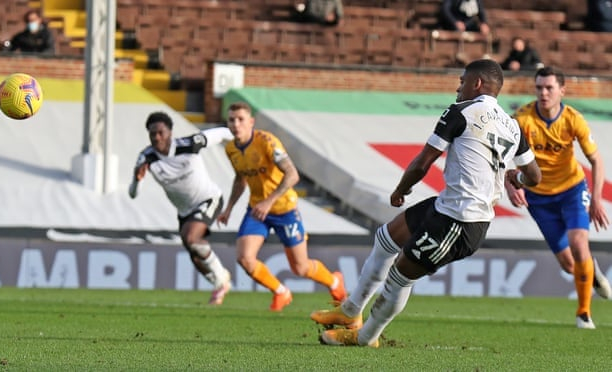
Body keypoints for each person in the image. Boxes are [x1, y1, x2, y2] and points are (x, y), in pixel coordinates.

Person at [311, 59, 542, 347]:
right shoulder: (513, 126)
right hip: (448, 206)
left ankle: (365, 336)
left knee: (399, 275)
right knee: (386, 238)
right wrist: (516, 179)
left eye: (462, 81)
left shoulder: (461, 112)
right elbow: (535, 175)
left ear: (477, 84)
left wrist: (401, 189)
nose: (458, 87)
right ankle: (350, 311)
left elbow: (423, 162)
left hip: (461, 221)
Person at [505, 66, 611, 329]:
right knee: (568, 264)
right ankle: (591, 270)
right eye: (539, 87)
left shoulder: (573, 119)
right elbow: (501, 156)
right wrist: (510, 184)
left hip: (572, 190)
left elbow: (596, 160)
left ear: (562, 90)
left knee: (578, 243)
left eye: (549, 88)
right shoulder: (522, 119)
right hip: (538, 198)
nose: (543, 93)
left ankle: (583, 313)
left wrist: (596, 199)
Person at [216, 102, 346, 311]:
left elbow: (292, 174)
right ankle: (281, 292)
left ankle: (335, 282)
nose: (236, 124)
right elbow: (241, 179)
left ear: (251, 122)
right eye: (231, 120)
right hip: (258, 211)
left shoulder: (267, 142)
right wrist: (229, 208)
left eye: (241, 119)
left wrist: (269, 202)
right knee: (245, 259)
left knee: (300, 268)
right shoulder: (231, 149)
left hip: (284, 209)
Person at [129, 112, 233, 305]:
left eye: (161, 132)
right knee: (195, 255)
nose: (157, 138)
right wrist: (137, 180)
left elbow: (221, 133)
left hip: (209, 199)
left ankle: (221, 279)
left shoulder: (190, 144)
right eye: (153, 134)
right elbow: (133, 194)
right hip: (185, 211)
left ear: (170, 132)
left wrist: (244, 140)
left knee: (192, 238)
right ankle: (219, 283)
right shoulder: (146, 157)